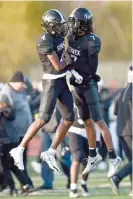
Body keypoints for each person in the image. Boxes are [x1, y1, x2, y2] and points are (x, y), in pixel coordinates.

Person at [10, 9, 82, 172]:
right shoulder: (44, 40)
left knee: (69, 118)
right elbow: (57, 66)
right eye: (58, 25)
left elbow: (63, 58)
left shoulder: (57, 36)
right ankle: (19, 149)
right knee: (42, 119)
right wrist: (69, 62)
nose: (61, 28)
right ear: (50, 26)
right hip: (51, 82)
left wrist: (71, 68)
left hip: (62, 80)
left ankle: (50, 151)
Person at [67, 7, 121, 178]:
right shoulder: (71, 38)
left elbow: (90, 68)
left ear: (83, 24)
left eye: (75, 22)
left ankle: (113, 157)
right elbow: (70, 59)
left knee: (99, 121)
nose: (72, 25)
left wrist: (75, 70)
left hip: (88, 85)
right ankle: (92, 155)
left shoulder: (92, 41)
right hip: (77, 86)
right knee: (86, 121)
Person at [109, 66, 132, 195]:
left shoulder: (121, 92)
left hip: (121, 131)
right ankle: (117, 177)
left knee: (131, 161)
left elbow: (115, 112)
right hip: (130, 130)